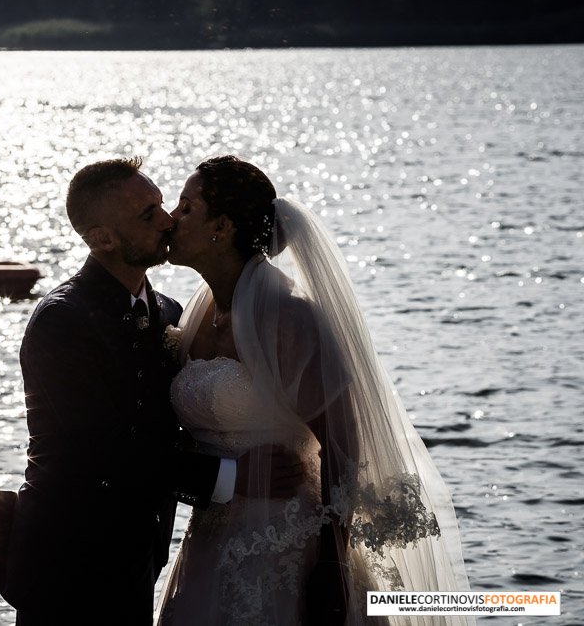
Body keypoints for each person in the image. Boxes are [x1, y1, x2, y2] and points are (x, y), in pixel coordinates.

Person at [155, 155, 473, 625]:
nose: (170, 219)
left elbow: (345, 442)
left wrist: (332, 561)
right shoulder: (196, 314)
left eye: (185, 207)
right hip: (209, 539)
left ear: (220, 226)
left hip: (288, 542)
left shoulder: (287, 316)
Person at [0, 158, 304, 626]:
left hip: (141, 563)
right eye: (147, 215)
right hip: (67, 565)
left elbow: (176, 424)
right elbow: (105, 449)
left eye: (163, 204)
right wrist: (234, 478)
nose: (166, 221)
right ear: (101, 238)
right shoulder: (64, 321)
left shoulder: (168, 311)